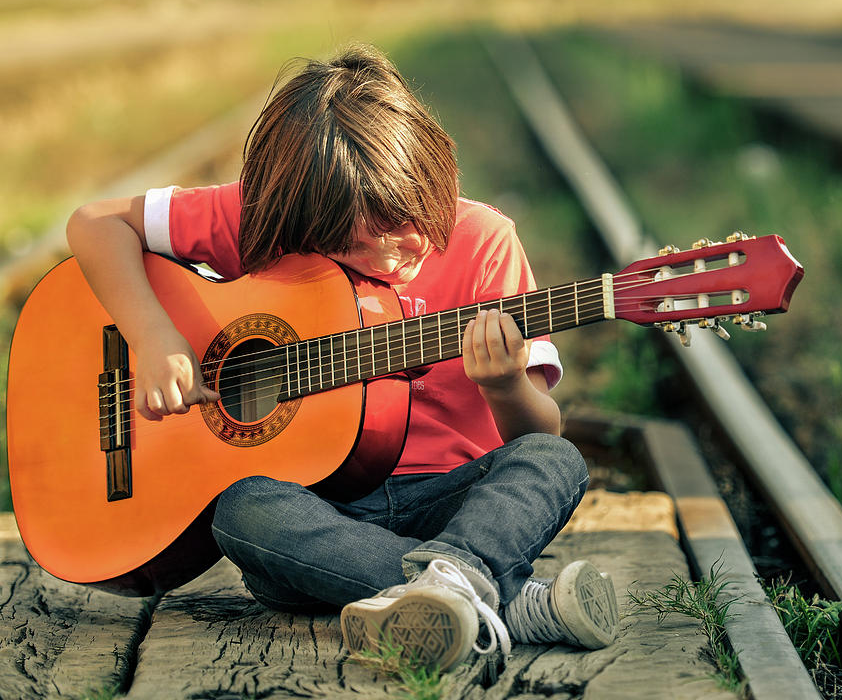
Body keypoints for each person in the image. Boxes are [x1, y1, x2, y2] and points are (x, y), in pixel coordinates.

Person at [66, 44, 618, 671]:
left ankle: (449, 588)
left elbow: (534, 430)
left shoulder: (484, 241)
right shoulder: (269, 219)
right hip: (319, 520)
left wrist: (505, 386)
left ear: (433, 175)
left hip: (452, 510)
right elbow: (95, 223)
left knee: (553, 458)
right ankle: (499, 601)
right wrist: (155, 338)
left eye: (407, 223)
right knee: (243, 509)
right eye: (354, 244)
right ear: (300, 221)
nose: (390, 255)